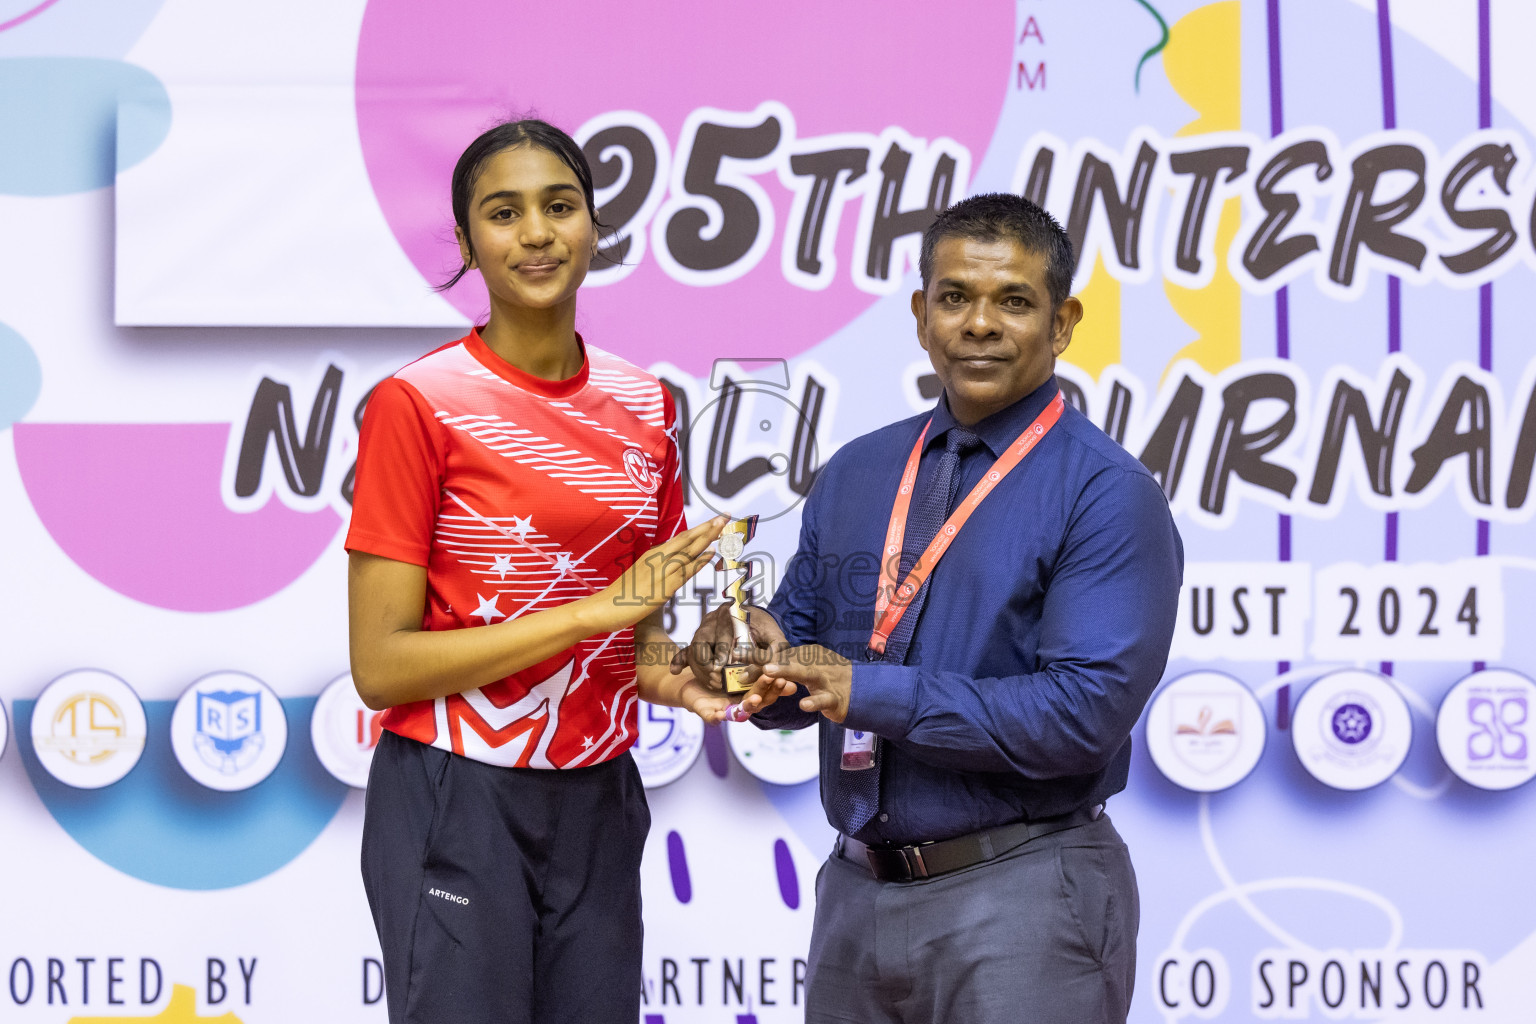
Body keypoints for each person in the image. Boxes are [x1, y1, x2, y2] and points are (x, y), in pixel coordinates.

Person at [678, 193, 1183, 1023]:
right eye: (955, 298)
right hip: (855, 896)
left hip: (1024, 895)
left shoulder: (1106, 494)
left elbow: (1083, 714)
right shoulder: (858, 471)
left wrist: (864, 690)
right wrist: (748, 654)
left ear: (1062, 324)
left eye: (1013, 301)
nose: (979, 324)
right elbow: (796, 651)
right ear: (921, 315)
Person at [345, 118, 731, 1024]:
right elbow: (381, 668)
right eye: (503, 213)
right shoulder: (419, 403)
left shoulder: (648, 405)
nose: (536, 233)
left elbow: (632, 649)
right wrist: (585, 616)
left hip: (599, 794)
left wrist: (698, 674)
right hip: (455, 788)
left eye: (560, 207)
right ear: (470, 242)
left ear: (594, 225)